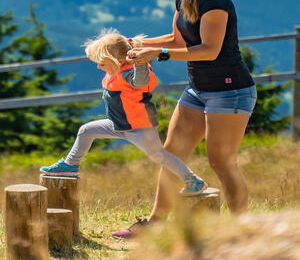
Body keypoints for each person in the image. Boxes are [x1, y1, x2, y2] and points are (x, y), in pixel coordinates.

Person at [112, 0, 257, 238]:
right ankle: (154, 224)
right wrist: (139, 43)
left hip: (230, 91)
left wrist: (158, 54)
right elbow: (178, 40)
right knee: (172, 153)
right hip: (198, 89)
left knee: (221, 162)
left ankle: (241, 231)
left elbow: (209, 49)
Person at [40, 30, 207, 198]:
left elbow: (141, 81)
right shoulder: (114, 71)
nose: (99, 67)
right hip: (118, 124)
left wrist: (140, 63)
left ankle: (193, 180)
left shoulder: (130, 74)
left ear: (119, 61)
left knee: (159, 156)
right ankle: (70, 165)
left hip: (139, 128)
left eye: (102, 64)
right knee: (86, 130)